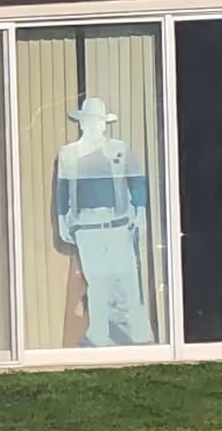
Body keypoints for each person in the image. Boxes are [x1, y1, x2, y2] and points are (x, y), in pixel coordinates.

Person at [54, 95, 154, 346]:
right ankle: (98, 333)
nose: (96, 125)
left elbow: (137, 180)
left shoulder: (118, 149)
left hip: (117, 222)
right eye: (91, 120)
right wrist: (62, 219)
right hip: (86, 226)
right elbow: (63, 190)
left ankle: (140, 334)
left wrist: (140, 210)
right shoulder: (69, 153)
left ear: (104, 124)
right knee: (96, 282)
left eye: (100, 121)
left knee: (128, 279)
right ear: (83, 123)